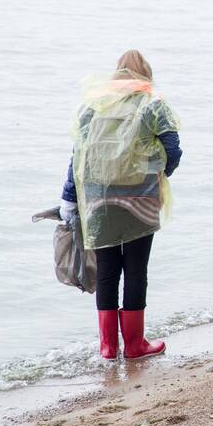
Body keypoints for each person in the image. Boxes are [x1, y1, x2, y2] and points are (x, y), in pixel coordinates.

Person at [60, 50, 182, 360]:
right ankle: (135, 344)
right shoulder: (153, 103)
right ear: (146, 75)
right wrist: (159, 174)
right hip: (140, 196)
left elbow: (78, 157)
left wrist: (70, 198)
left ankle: (108, 347)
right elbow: (173, 149)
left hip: (99, 197)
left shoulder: (93, 106)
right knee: (136, 269)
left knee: (107, 271)